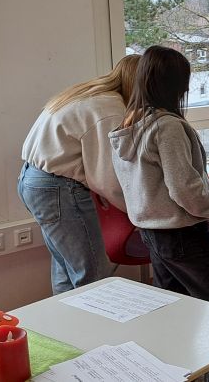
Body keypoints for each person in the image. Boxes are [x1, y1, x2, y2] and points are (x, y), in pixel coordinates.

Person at [108, 45, 209, 382]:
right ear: (178, 85)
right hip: (182, 234)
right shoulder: (167, 126)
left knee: (176, 312)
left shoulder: (130, 124)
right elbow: (185, 192)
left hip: (152, 233)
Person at [18, 54, 140, 295]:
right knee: (93, 276)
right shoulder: (110, 110)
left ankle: (65, 319)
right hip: (58, 189)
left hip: (31, 180)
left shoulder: (87, 94)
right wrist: (139, 212)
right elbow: (107, 180)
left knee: (66, 269)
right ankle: (94, 321)